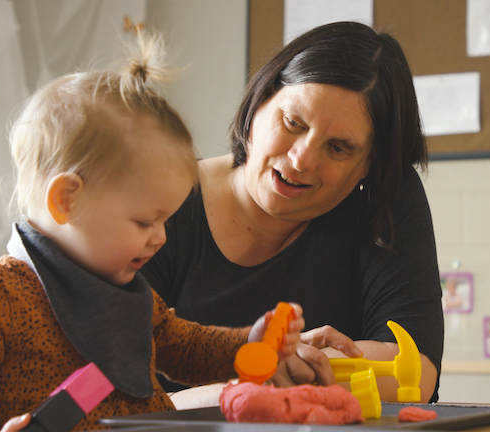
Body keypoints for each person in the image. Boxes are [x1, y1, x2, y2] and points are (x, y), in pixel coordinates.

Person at [0, 32, 304, 432]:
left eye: (164, 221)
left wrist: (249, 342)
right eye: (144, 222)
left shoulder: (126, 294)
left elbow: (185, 348)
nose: (160, 237)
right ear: (66, 200)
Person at [141, 21, 444, 404]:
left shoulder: (383, 198)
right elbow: (103, 382)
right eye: (293, 122)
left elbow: (414, 373)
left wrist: (275, 370)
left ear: (370, 164)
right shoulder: (163, 196)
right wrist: (255, 380)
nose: (301, 159)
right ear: (260, 101)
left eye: (338, 148)